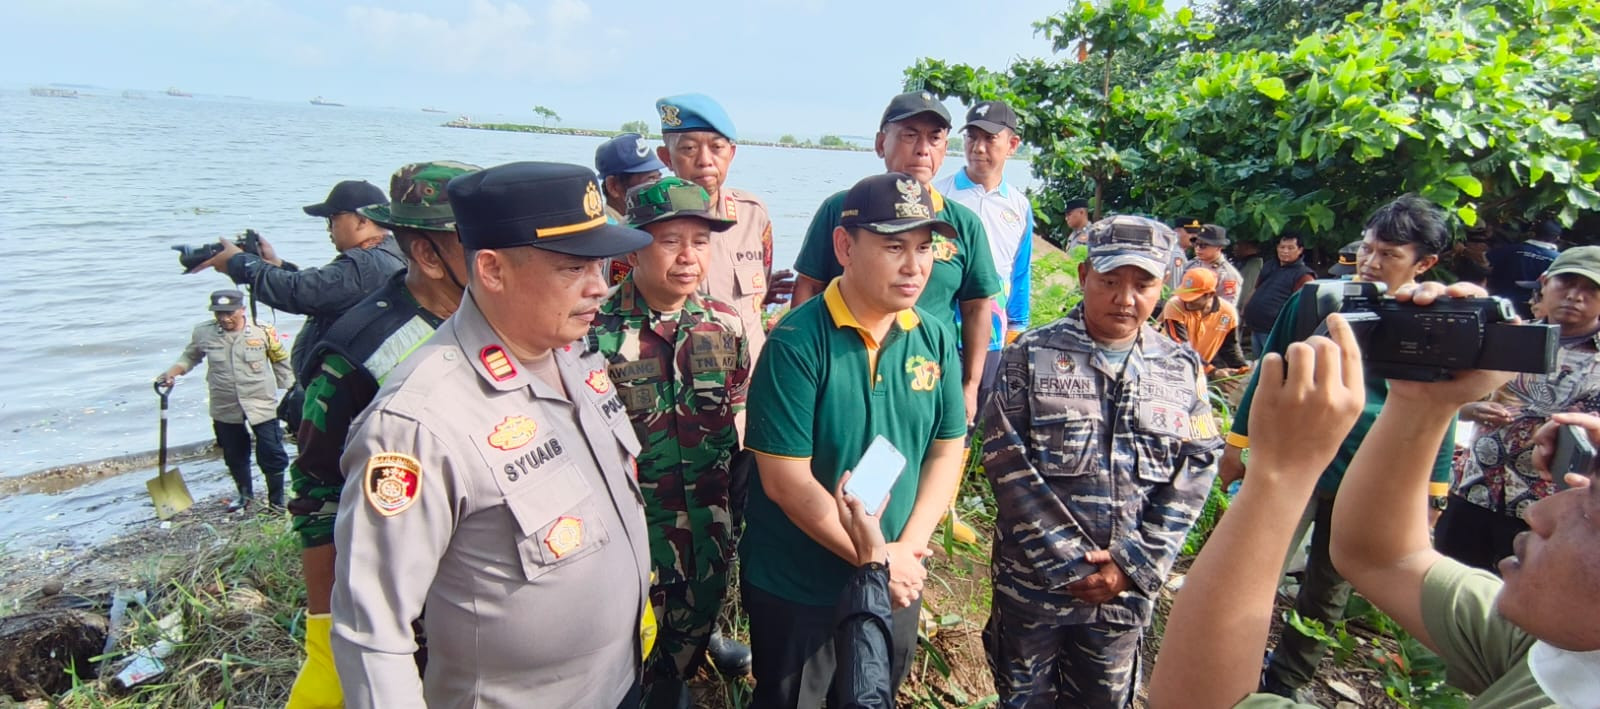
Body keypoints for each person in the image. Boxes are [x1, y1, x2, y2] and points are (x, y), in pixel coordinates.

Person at [1153, 282, 1599, 708]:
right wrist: (1424, 402)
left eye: (1592, 508)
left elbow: (1199, 699)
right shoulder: (1565, 653)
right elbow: (1383, 557)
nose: (1541, 511)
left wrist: (1278, 474)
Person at [329, 162, 653, 708]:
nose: (601, 286)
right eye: (573, 268)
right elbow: (372, 633)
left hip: (618, 681)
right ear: (493, 269)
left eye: (601, 263)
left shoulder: (568, 350)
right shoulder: (419, 422)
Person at [741, 172, 968, 708]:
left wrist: (906, 548)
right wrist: (876, 561)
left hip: (895, 578)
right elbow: (786, 482)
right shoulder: (798, 341)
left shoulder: (933, 336)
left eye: (924, 247)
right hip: (803, 585)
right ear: (845, 246)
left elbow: (945, 447)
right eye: (894, 246)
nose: (914, 266)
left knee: (874, 694)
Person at [977, 215, 1223, 708]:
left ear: (1164, 285)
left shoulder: (1180, 367)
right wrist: (1069, 562)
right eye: (1110, 281)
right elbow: (1005, 459)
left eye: (1143, 284)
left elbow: (1198, 465)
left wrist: (1133, 565)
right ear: (1085, 275)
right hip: (1035, 587)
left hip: (1123, 594)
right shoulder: (1032, 353)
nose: (1125, 299)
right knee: (1023, 700)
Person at [1223, 195, 1457, 702]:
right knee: (1255, 564)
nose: (1371, 263)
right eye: (1368, 250)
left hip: (1371, 475)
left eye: (1389, 255)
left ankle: (1286, 682)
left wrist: (1433, 493)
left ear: (1425, 263)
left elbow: (1441, 415)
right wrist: (1237, 446)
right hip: (1297, 460)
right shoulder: (1316, 301)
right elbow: (1268, 371)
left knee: (1328, 591)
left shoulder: (1435, 322)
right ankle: (1226, 669)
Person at [283, 161, 479, 709]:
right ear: (425, 254)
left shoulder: (498, 318)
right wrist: (323, 626)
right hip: (402, 582)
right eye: (477, 242)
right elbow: (318, 488)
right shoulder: (359, 352)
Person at [592, 177, 749, 709]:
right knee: (618, 661)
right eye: (670, 241)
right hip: (632, 536)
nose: (688, 257)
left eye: (700, 242)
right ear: (635, 244)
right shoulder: (594, 331)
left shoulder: (724, 324)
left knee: (683, 650)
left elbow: (739, 406)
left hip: (708, 529)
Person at [790, 91, 1001, 423]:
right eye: (909, 135)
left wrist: (970, 386)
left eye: (935, 138)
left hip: (929, 380)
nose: (922, 149)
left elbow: (977, 307)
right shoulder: (844, 210)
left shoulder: (961, 225)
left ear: (946, 149)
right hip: (843, 374)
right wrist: (801, 361)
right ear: (880, 143)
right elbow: (808, 286)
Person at [1436, 246, 1600, 572]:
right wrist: (1469, 408)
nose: (1574, 296)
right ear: (1544, 282)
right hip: (1474, 491)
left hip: (1546, 510)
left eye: (1591, 290)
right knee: (1448, 588)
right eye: (1566, 283)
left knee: (1518, 606)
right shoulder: (1504, 336)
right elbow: (1449, 399)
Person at [194, 179, 404, 431]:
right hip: (352, 392)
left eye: (333, 219)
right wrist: (276, 265)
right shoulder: (385, 255)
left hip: (341, 404)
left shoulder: (366, 264)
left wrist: (241, 264)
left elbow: (299, 292)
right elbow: (323, 291)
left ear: (362, 220)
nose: (329, 229)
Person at [654, 93, 794, 362]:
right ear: (666, 157)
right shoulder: (646, 225)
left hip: (750, 381)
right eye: (689, 149)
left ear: (731, 153)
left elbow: (758, 296)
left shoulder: (753, 215)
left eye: (717, 148)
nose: (705, 160)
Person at [933, 99, 1033, 399]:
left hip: (991, 335)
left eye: (989, 139)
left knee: (972, 414)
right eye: (971, 137)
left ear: (1012, 144)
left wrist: (1016, 330)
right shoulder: (938, 195)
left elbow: (1019, 272)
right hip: (942, 330)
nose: (978, 148)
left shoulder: (1018, 206)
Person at [158, 289, 293, 511]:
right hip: (225, 403)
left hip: (261, 403)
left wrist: (291, 391)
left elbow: (280, 361)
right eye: (219, 313)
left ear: (242, 310)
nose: (224, 318)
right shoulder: (204, 333)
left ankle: (276, 501)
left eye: (230, 313)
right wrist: (172, 373)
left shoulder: (262, 330)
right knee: (233, 453)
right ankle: (244, 496)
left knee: (272, 452)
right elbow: (190, 356)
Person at [1161, 267, 1250, 377]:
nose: (1186, 301)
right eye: (1184, 295)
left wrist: (1242, 369)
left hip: (1199, 369)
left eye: (1192, 298)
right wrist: (1212, 371)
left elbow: (1230, 347)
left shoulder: (1228, 313)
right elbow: (1179, 345)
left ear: (1210, 294)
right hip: (1168, 366)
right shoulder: (1174, 305)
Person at [1242, 231, 1316, 357]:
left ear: (1300, 250)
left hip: (1274, 331)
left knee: (1272, 366)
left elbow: (1300, 308)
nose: (1285, 251)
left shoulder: (1304, 275)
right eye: (1282, 247)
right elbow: (1256, 289)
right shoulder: (1270, 265)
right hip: (1255, 327)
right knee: (1258, 366)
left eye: (1290, 248)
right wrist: (1244, 309)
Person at [1488, 219, 1560, 317]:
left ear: (1532, 233)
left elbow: (1484, 265)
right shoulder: (1558, 259)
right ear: (1557, 238)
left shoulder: (1509, 250)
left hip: (1501, 306)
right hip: (1533, 311)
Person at [595, 132, 666, 224]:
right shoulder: (608, 232)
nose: (660, 187)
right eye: (651, 179)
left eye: (659, 178)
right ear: (613, 187)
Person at [1186, 224, 1244, 304]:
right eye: (1196, 244)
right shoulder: (1191, 265)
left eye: (1203, 245)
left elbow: (1227, 306)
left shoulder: (1228, 274)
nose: (1198, 248)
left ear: (1218, 247)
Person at [1234, 240, 1265, 312]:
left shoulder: (1254, 264)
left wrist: (1240, 307)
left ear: (1247, 246)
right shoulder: (1244, 262)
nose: (1235, 247)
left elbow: (1247, 289)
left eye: (1238, 244)